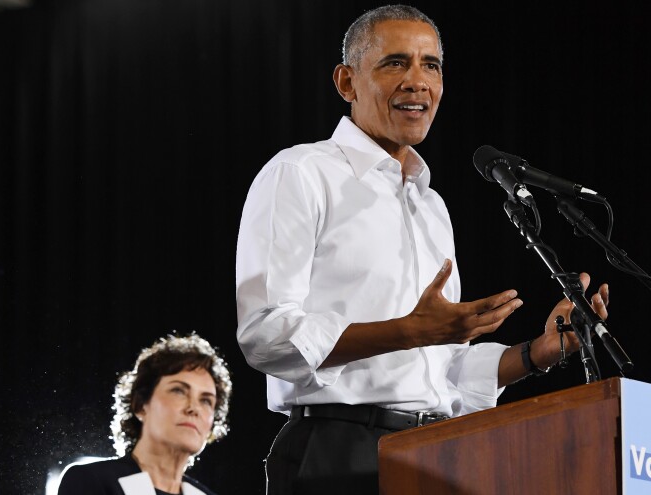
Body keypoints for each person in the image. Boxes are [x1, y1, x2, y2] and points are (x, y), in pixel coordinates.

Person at [235, 5, 609, 494]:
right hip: (337, 452)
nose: (418, 81)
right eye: (395, 63)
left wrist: (536, 354)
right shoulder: (302, 173)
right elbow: (266, 335)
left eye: (430, 65)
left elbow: (443, 369)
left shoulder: (429, 205)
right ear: (347, 83)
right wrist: (408, 331)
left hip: (436, 454)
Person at [57, 333, 232, 495]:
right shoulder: (92, 481)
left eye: (206, 400)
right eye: (178, 391)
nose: (194, 408)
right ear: (140, 405)